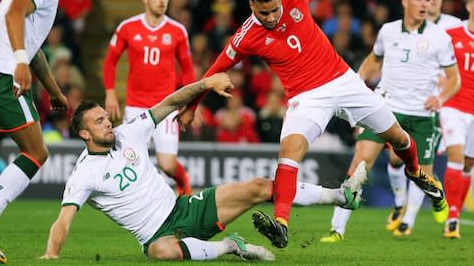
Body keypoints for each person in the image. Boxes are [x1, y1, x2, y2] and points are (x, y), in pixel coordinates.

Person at [178, 0, 448, 248]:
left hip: (343, 81)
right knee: (289, 154)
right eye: (263, 13)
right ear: (251, 7)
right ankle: (281, 223)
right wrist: (191, 106)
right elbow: (214, 70)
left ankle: (416, 172)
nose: (270, 17)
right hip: (306, 98)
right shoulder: (245, 36)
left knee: (399, 138)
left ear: (280, 1)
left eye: (274, 10)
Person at [40, 73, 368, 261]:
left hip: (185, 208)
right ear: (84, 134)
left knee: (258, 186)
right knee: (160, 253)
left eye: (105, 117)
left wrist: (205, 84)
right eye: (99, 122)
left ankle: (342, 195)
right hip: (157, 234)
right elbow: (63, 220)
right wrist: (51, 256)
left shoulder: (129, 132)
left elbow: (169, 103)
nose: (108, 123)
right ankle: (231, 247)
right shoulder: (83, 173)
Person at [319, 0, 460, 242]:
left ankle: (435, 196)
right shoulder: (388, 31)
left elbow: (454, 78)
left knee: (420, 174)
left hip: (421, 114)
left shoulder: (440, 37)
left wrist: (441, 97)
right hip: (386, 107)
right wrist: (358, 79)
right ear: (406, 1)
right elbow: (375, 57)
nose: (424, 4)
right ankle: (337, 228)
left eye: (427, 0)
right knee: (361, 159)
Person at [0, 0, 82, 263]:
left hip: (2, 67)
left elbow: (34, 48)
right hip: (3, 74)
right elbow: (14, 13)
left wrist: (54, 90)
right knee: (35, 151)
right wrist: (20, 63)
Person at [103, 0, 196, 196]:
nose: (162, 0)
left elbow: (188, 70)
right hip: (136, 107)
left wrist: (190, 104)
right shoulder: (127, 27)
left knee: (167, 164)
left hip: (167, 107)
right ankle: (136, 202)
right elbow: (110, 62)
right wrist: (110, 92)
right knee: (130, 159)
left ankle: (184, 181)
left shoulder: (177, 31)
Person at [439, 0, 474, 238]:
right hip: (454, 105)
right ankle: (452, 218)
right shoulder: (450, 34)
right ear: (470, 5)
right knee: (456, 155)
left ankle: (456, 212)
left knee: (468, 163)